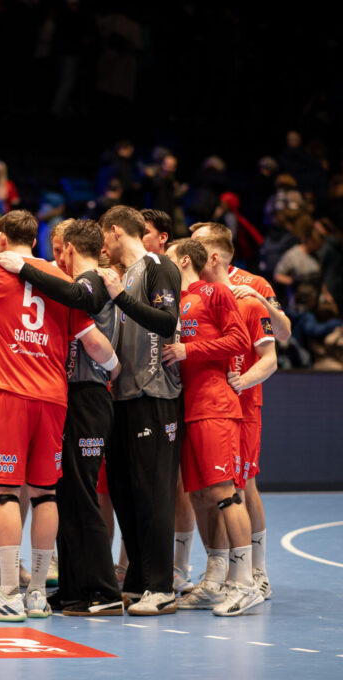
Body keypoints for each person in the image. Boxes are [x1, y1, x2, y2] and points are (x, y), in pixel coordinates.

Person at [0, 209, 118, 622]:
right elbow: (94, 343)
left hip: (7, 393)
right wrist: (116, 369)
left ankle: (7, 593)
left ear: (1, 239)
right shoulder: (60, 279)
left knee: (4, 492)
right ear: (36, 241)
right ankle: (37, 593)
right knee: (44, 494)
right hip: (53, 398)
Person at [0, 218, 123, 616]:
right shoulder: (70, 284)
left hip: (88, 396)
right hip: (70, 396)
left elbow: (96, 343)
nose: (56, 258)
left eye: (59, 250)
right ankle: (72, 589)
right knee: (62, 494)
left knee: (81, 494)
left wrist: (114, 369)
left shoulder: (86, 283)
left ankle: (104, 591)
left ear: (68, 248)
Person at [163, 239, 263, 617]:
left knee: (225, 492)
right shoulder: (175, 301)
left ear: (184, 259)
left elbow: (239, 340)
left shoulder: (214, 292)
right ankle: (215, 578)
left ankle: (245, 582)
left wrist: (189, 351)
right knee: (200, 497)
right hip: (187, 409)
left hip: (215, 406)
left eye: (169, 258)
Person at [95, 205, 182, 615]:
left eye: (103, 237)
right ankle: (139, 580)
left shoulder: (157, 266)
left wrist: (119, 297)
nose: (102, 246)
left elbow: (166, 322)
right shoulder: (122, 275)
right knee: (125, 493)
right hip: (122, 397)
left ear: (115, 231)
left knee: (153, 493)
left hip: (155, 395)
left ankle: (162, 587)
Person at [191, 230, 278, 601]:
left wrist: (241, 382)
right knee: (207, 490)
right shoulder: (198, 299)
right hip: (208, 408)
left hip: (242, 408)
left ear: (213, 256)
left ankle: (253, 573)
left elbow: (272, 355)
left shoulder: (251, 295)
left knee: (241, 486)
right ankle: (218, 573)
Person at [140, 207, 195, 592]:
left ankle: (181, 567)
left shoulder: (173, 278)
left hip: (178, 393)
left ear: (162, 237)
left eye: (145, 231)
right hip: (148, 392)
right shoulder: (134, 274)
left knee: (180, 485)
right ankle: (132, 563)